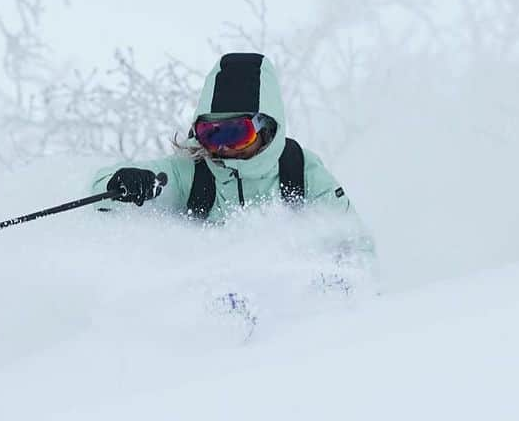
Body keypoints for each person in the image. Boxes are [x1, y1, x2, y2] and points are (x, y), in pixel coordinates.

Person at [92, 52, 374, 265]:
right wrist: (123, 183)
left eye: (237, 132)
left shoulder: (300, 172)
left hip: (292, 321)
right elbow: (101, 192)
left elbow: (358, 247)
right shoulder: (190, 173)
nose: (223, 146)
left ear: (267, 128)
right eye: (210, 133)